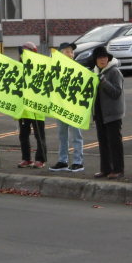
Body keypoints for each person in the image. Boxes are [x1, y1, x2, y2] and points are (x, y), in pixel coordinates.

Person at [49, 42, 85, 173]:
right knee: (62, 135)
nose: (70, 54)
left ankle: (78, 162)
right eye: (67, 51)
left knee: (76, 135)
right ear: (60, 54)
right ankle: (62, 161)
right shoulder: (54, 68)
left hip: (73, 106)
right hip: (60, 106)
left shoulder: (77, 68)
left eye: (71, 52)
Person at [92, 45, 125, 179]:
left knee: (114, 143)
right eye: (100, 57)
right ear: (95, 60)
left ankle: (118, 169)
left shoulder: (114, 72)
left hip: (113, 114)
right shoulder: (94, 72)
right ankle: (105, 169)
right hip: (100, 113)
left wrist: (103, 81)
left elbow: (116, 92)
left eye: (105, 57)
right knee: (103, 143)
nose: (103, 60)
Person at [16, 42, 47, 169]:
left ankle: (41, 159)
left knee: (39, 135)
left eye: (25, 52)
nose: (22, 54)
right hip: (23, 108)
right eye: (22, 52)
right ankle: (26, 158)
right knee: (23, 135)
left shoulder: (40, 67)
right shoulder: (18, 67)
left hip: (37, 107)